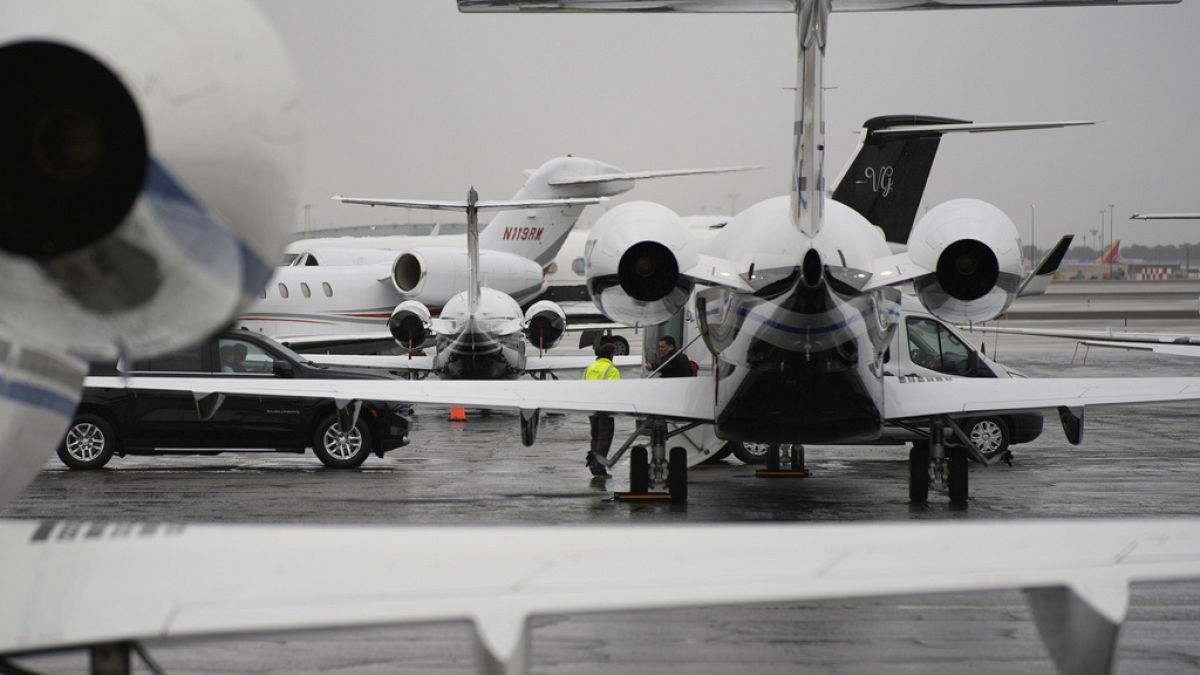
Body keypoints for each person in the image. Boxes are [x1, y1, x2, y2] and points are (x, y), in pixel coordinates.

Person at [583, 341, 620, 477]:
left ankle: (594, 466)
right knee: (604, 438)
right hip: (605, 408)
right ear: (611, 355)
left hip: (591, 408)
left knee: (595, 437)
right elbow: (615, 391)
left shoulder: (590, 368)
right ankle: (598, 467)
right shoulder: (611, 370)